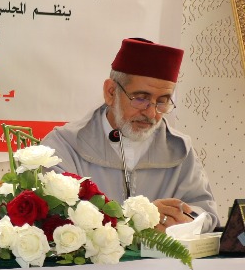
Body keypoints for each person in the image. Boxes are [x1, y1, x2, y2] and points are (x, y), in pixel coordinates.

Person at [42, 37, 219, 231]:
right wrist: (138, 221)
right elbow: (53, 223)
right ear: (111, 92)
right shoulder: (64, 146)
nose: (151, 113)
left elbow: (205, 213)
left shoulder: (179, 149)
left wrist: (182, 221)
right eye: (141, 98)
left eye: (162, 101)